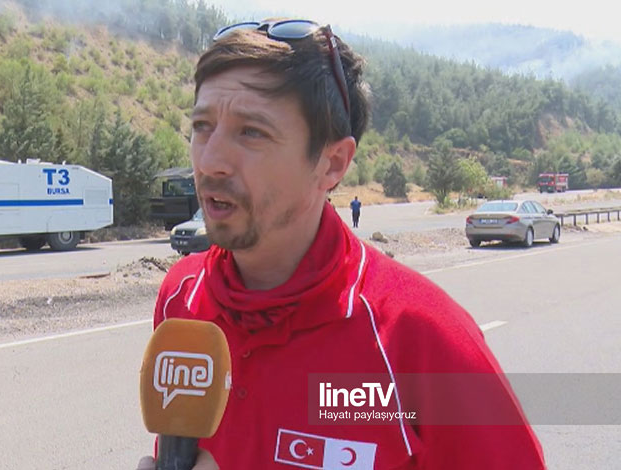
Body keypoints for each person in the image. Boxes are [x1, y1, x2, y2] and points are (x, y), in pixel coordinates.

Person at [139, 18, 545, 470]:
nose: (210, 160)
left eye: (251, 132)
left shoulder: (419, 336)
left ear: (332, 163)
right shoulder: (181, 299)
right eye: (202, 126)